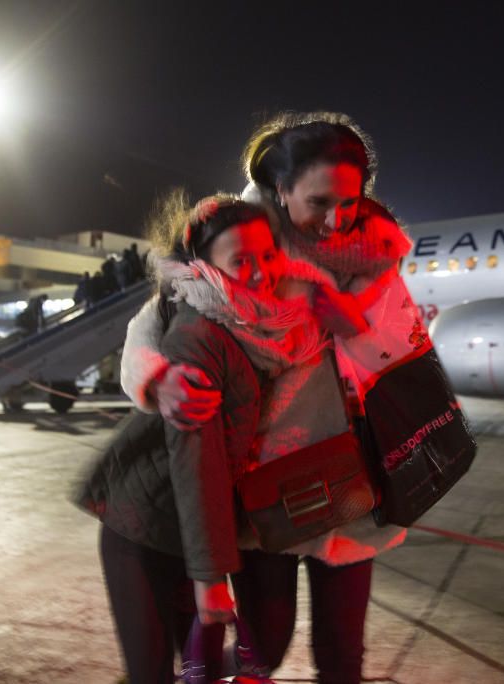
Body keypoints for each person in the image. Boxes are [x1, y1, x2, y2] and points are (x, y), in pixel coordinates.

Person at [121, 112, 412, 684]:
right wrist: (159, 379)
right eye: (320, 202)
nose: (337, 221)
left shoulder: (373, 256)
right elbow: (150, 326)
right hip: (265, 487)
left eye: (350, 203)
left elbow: (403, 343)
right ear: (281, 190)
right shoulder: (236, 240)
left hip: (350, 479)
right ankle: (193, 672)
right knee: (265, 648)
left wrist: (355, 323)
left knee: (342, 655)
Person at [77, 194, 330, 683]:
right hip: (142, 529)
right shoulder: (202, 334)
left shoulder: (254, 322)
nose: (259, 272)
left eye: (267, 256)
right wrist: (211, 579)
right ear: (204, 269)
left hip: (190, 536)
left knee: (201, 668)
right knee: (152, 672)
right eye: (240, 261)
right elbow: (198, 464)